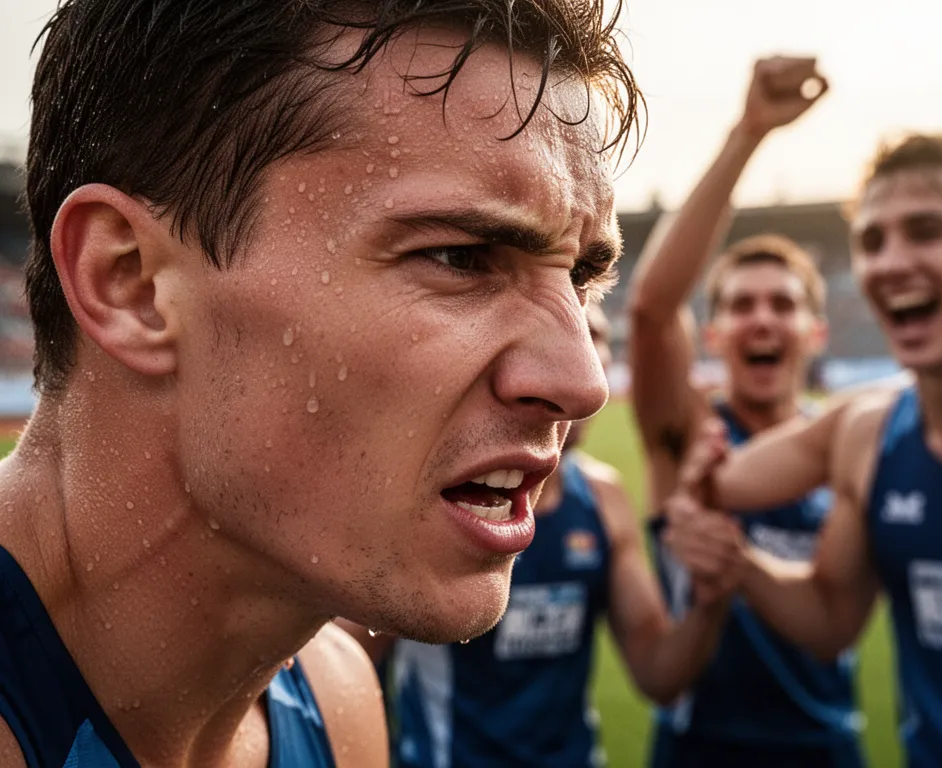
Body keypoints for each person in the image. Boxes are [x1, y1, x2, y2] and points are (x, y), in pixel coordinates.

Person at [0, 1, 644, 766]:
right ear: (131, 281)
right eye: (460, 258)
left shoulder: (338, 701)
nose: (583, 381)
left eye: (582, 277)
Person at [670, 133, 942, 768]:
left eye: (926, 231)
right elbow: (831, 620)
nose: (891, 263)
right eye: (872, 241)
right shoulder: (870, 432)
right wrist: (735, 560)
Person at [339, 304, 747, 768]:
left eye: (595, 334)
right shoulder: (437, 500)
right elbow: (338, 663)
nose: (582, 352)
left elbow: (658, 674)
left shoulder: (602, 498)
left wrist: (709, 600)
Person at [627, 56, 865, 768]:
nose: (763, 318)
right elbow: (651, 308)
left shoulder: (852, 441)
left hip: (825, 743)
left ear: (816, 334)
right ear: (715, 335)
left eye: (784, 304)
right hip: (700, 746)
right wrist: (748, 132)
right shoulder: (686, 433)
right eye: (741, 304)